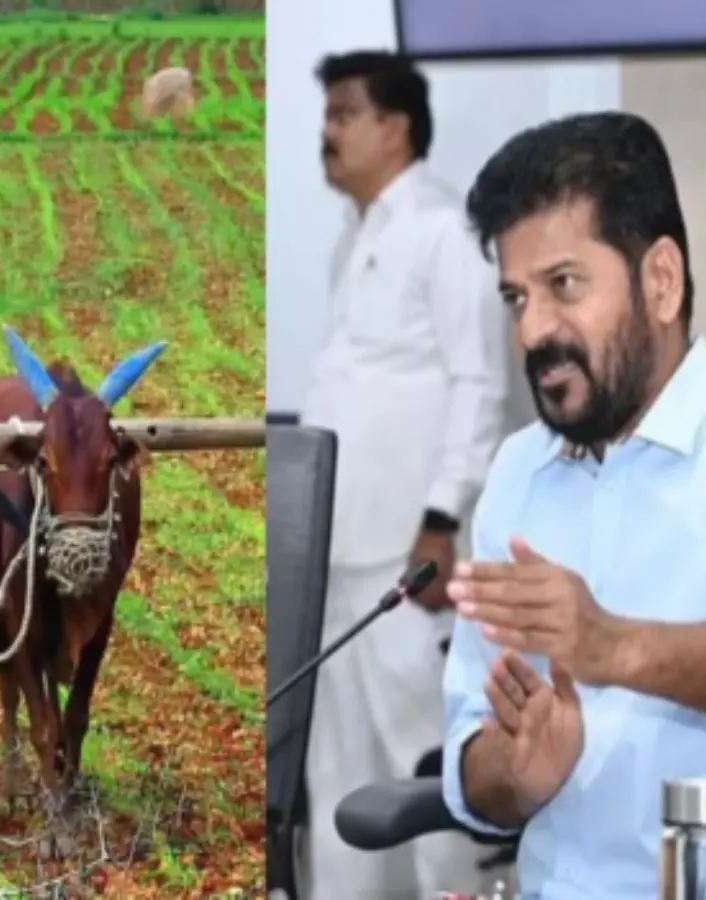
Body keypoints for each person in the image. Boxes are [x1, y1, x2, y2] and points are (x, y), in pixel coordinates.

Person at [440, 111, 706, 899]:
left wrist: (611, 645)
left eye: (563, 286)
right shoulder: (516, 473)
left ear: (659, 281)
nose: (533, 331)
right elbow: (472, 748)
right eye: (515, 298)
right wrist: (514, 773)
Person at [299, 51, 510, 899]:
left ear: (395, 127)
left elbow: (480, 383)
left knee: (426, 760)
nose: (328, 130)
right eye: (329, 112)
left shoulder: (442, 228)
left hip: (406, 554)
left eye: (346, 113)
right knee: (339, 775)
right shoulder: (356, 236)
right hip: (342, 553)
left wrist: (443, 518)